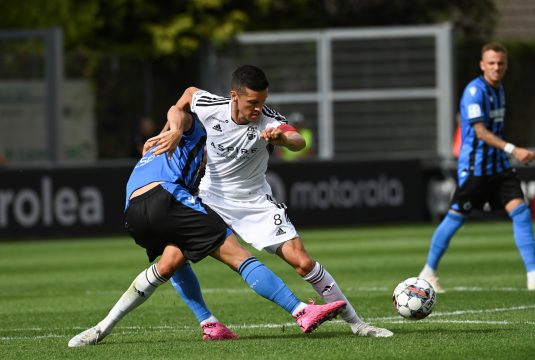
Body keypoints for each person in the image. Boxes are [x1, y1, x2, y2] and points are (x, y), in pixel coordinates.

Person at [148, 65, 393, 337]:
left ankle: (358, 324)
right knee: (170, 259)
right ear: (234, 96)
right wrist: (172, 131)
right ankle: (206, 322)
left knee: (302, 262)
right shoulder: (210, 105)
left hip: (255, 203)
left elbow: (297, 139)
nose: (258, 108)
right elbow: (184, 99)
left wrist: (284, 140)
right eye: (253, 102)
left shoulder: (268, 121)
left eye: (263, 101)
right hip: (211, 199)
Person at [67, 109, 346, 347]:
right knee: (238, 255)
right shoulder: (197, 132)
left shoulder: (161, 148)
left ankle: (199, 323)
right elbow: (180, 111)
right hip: (165, 197)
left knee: (171, 262)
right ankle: (300, 311)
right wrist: (177, 129)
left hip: (133, 212)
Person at [418, 43, 535, 292]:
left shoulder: (499, 89)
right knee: (455, 218)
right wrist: (514, 150)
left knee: (522, 213)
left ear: (506, 65)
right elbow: (480, 132)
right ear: (482, 65)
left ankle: (533, 275)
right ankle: (428, 272)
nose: (496, 67)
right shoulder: (475, 91)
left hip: (499, 168)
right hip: (475, 169)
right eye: (491, 63)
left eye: (501, 63)